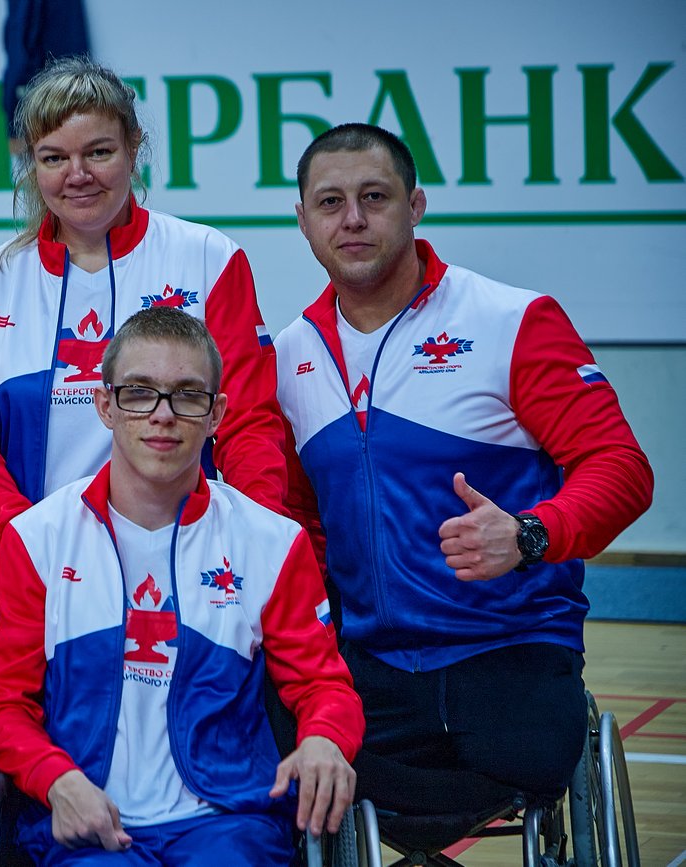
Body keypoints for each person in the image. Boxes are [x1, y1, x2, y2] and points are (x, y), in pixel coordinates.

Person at [276, 123, 654, 817]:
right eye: (330, 202)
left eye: (374, 196)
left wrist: (529, 534)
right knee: (273, 745)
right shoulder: (290, 355)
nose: (352, 218)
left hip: (509, 650)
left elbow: (621, 468)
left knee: (529, 760)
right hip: (370, 667)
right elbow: (301, 522)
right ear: (303, 220)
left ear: (415, 206)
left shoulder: (511, 319)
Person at [0, 308, 363, 866]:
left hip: (228, 825)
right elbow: (1, 707)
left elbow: (325, 686)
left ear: (216, 414)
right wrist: (56, 779)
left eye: (187, 395)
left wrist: (324, 738)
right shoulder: (37, 540)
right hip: (85, 829)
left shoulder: (271, 542)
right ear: (105, 405)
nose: (163, 414)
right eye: (139, 392)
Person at [0, 56, 285, 645]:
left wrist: (251, 535)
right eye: (53, 158)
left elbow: (248, 421)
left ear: (134, 147)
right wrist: (28, 541)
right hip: (33, 572)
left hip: (189, 566)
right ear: (31, 164)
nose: (78, 175)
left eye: (98, 152)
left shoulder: (208, 259)